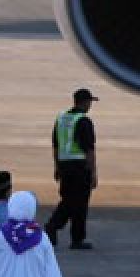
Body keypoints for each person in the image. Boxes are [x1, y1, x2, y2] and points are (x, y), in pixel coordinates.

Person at [44, 88, 98, 250]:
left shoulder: (61, 119)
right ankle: (75, 237)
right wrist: (93, 172)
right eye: (90, 102)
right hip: (80, 167)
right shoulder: (83, 121)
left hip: (64, 166)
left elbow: (55, 146)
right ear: (85, 102)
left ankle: (54, 227)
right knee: (80, 203)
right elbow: (89, 149)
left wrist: (57, 166)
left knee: (68, 199)